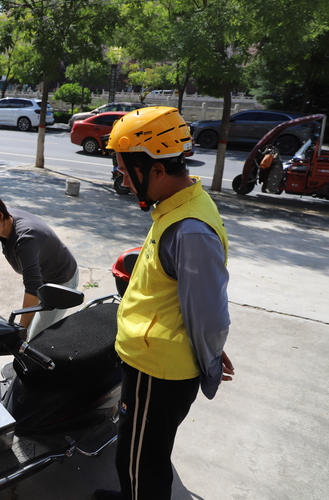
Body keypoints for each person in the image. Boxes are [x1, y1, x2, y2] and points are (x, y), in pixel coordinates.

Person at [93, 107, 235, 500]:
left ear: (155, 169)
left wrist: (209, 354)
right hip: (153, 360)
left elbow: (209, 314)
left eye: (125, 168)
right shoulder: (178, 205)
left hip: (159, 372)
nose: (120, 177)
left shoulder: (190, 231)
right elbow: (192, 299)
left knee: (144, 465)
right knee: (135, 451)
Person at [0, 188, 78, 340]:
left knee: (35, 340)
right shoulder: (4, 220)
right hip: (44, 278)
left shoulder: (25, 239)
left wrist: (21, 331)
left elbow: (32, 289)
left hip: (61, 281)